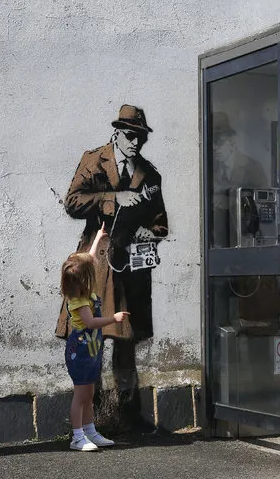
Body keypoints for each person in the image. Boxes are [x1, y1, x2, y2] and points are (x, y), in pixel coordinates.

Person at [55, 104, 168, 430]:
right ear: (117, 133)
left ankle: (129, 414)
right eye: (130, 136)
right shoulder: (94, 161)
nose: (136, 143)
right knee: (92, 340)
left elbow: (161, 223)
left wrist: (152, 232)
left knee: (125, 342)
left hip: (131, 268)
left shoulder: (150, 175)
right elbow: (73, 201)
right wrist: (112, 199)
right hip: (97, 265)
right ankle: (95, 415)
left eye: (141, 138)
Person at [60, 223, 129, 451]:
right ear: (82, 281)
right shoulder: (79, 301)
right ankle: (77, 437)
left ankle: (90, 432)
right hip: (80, 352)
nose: (94, 274)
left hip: (90, 350)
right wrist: (114, 318)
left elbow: (89, 259)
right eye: (90, 275)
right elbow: (91, 323)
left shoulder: (82, 289)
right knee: (80, 396)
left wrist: (98, 237)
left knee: (89, 395)